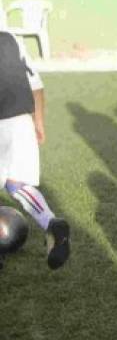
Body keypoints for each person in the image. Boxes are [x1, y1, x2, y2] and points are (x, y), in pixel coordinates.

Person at [0, 31, 70, 269]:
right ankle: (51, 223)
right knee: (17, 184)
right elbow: (36, 85)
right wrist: (38, 122)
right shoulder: (12, 39)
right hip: (21, 121)